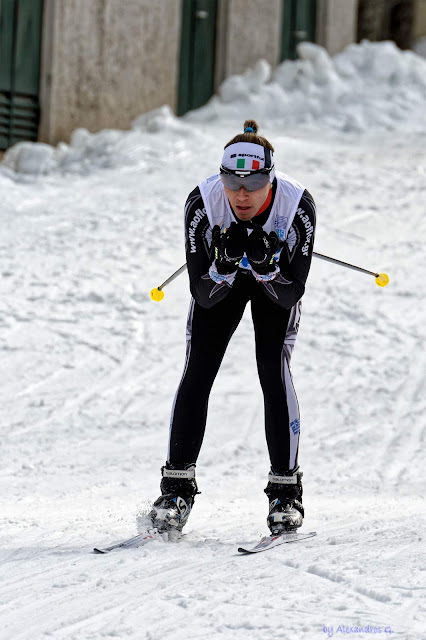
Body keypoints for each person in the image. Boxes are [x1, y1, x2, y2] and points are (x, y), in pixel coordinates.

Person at [149, 120, 316, 535]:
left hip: (273, 286)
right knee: (198, 370)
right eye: (233, 183)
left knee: (272, 372)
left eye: (254, 183)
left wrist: (264, 267)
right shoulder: (203, 202)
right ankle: (176, 487)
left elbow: (291, 291)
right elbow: (201, 292)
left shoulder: (297, 206)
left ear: (271, 179)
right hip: (219, 287)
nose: (242, 195)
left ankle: (286, 491)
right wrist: (223, 269)